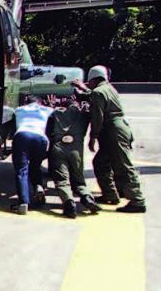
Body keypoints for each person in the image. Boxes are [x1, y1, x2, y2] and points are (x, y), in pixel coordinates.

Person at [75, 65, 147, 213]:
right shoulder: (108, 88)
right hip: (118, 129)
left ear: (93, 79)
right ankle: (110, 194)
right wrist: (84, 90)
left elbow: (97, 117)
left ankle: (137, 201)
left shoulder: (98, 92)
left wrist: (92, 137)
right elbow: (95, 96)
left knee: (123, 165)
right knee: (101, 162)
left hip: (113, 132)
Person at [46, 96, 99, 219]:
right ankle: (86, 197)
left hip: (58, 147)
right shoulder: (82, 115)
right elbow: (90, 112)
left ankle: (68, 201)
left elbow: (48, 131)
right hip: (76, 149)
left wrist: (52, 105)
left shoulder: (55, 113)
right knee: (79, 179)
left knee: (61, 180)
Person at [11, 96, 53, 214]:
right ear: (39, 103)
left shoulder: (19, 110)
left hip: (22, 136)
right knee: (35, 167)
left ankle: (23, 203)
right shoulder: (46, 110)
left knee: (21, 170)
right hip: (41, 138)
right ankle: (38, 187)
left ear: (26, 102)